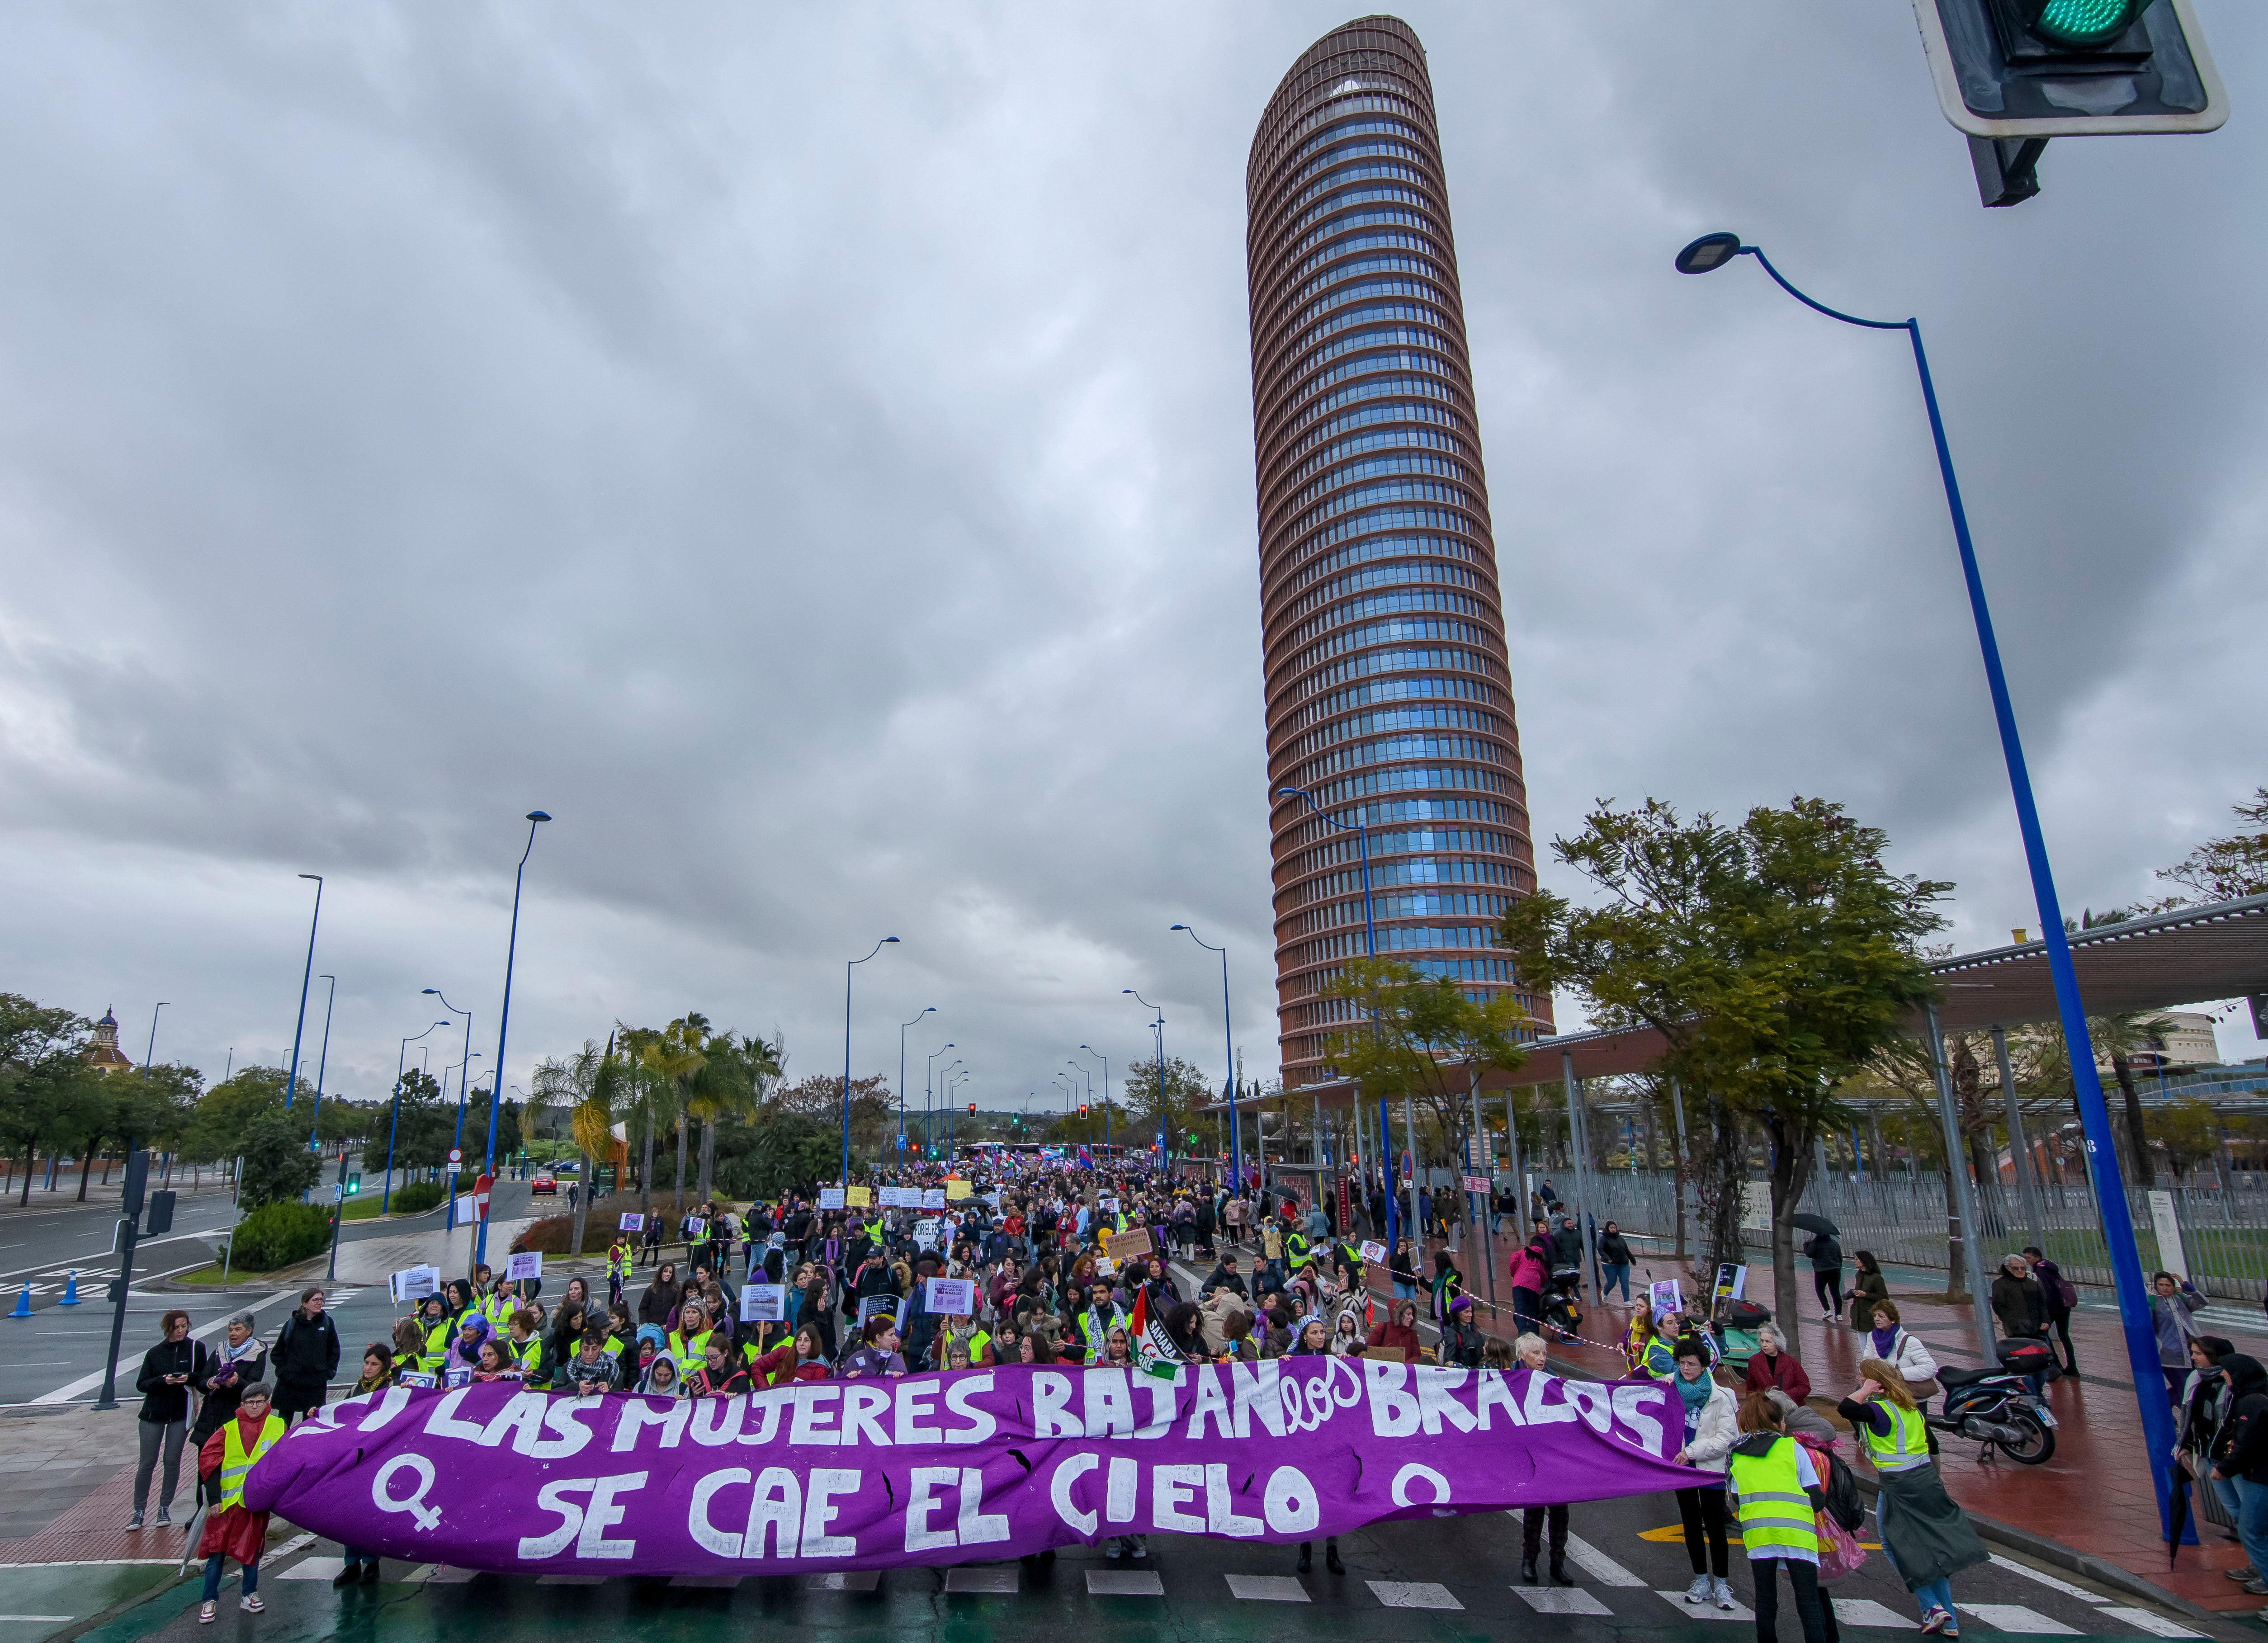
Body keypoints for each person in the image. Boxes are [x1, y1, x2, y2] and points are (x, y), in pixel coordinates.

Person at [1843, 1359, 1984, 1634]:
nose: (1858, 1380)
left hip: (1899, 1484)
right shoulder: (1911, 1409)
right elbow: (1932, 1444)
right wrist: (1936, 1479)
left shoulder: (1878, 1410)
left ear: (1875, 1383)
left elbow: (1846, 1407)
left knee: (1895, 1545)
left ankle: (1933, 1607)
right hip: (1926, 1480)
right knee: (1932, 1548)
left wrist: (1866, 1390)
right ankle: (1950, 1622)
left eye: (1862, 1377)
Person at [1727, 1393, 1836, 1643]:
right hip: (1797, 1535)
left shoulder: (1738, 1454)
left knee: (1765, 1602)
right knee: (1808, 1603)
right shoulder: (1792, 1448)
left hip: (1759, 1536)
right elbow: (1817, 1499)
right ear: (1777, 1423)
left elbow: (1736, 1497)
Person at [194, 1381, 282, 1624]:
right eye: (250, 1403)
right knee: (217, 1553)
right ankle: (209, 1601)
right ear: (241, 1405)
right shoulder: (228, 1429)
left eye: (259, 1402)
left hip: (254, 1504)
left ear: (268, 1402)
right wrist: (213, 1499)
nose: (255, 1407)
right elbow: (208, 1463)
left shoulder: (278, 1426)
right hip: (226, 1504)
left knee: (251, 1551)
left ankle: (250, 1594)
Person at [1671, 1339, 1739, 1610]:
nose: (1686, 1368)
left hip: (1709, 1470)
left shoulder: (1721, 1397)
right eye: (1682, 1363)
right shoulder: (1671, 1388)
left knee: (1715, 1526)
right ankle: (1701, 1580)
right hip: (1681, 1469)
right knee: (1690, 1524)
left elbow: (1726, 1438)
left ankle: (1722, 1583)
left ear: (1704, 1366)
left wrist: (1692, 1451)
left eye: (1692, 1364)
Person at [130, 1309, 205, 1529]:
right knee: (147, 1463)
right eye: (177, 1327)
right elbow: (142, 1384)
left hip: (180, 1415)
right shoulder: (155, 1353)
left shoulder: (196, 1349)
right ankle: (139, 1510)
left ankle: (164, 1509)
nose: (181, 1331)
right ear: (168, 1329)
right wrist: (163, 1381)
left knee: (172, 1461)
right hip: (154, 1414)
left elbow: (202, 1378)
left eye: (184, 1326)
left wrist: (188, 1378)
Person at [1515, 1334, 1575, 1584]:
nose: (1542, 1359)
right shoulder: (1508, 1380)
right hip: (1528, 1455)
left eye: (1544, 1354)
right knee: (1534, 1511)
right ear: (1522, 1356)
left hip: (1553, 1453)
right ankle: (1529, 1560)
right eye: (1536, 1354)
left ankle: (1557, 1562)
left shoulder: (1554, 1380)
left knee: (1561, 1512)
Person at [270, 1288, 339, 1423]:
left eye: (321, 1300)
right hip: (291, 1382)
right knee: (284, 1423)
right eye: (315, 1300)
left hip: (315, 1383)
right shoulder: (292, 1324)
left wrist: (329, 1372)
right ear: (305, 1304)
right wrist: (283, 1371)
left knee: (311, 1422)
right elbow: (277, 1353)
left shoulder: (327, 1323)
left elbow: (334, 1351)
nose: (319, 1303)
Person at [1862, 1302, 1940, 1412]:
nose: (1877, 1319)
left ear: (1893, 1319)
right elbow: (1868, 1361)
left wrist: (1900, 1374)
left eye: (1881, 1316)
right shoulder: (1872, 1337)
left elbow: (1930, 1368)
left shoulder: (1910, 1341)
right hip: (1886, 1396)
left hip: (1910, 1399)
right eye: (1875, 1316)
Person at [2153, 1271, 2207, 1403]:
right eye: (2161, 1285)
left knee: (2194, 1385)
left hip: (2190, 1352)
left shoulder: (2180, 1299)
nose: (2165, 1288)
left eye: (2168, 1285)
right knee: (2184, 1389)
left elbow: (2202, 1302)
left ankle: (2165, 1406)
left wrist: (2185, 1285)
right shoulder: (2152, 1302)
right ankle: (2188, 1418)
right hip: (2169, 1355)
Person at [2022, 1246, 2076, 1376]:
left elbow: (2045, 1292)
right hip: (2064, 1307)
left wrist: (2041, 1309)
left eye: (2029, 1258)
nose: (2028, 1261)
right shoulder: (2051, 1268)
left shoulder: (2040, 1271)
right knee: (2064, 1336)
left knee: (2042, 1335)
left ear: (2037, 1258)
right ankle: (2073, 1367)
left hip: (2051, 1309)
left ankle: (2055, 1365)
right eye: (2026, 1258)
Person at [1745, 1324, 1814, 1404]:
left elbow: (1805, 1387)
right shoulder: (1754, 1361)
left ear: (1777, 1343)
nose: (1764, 1345)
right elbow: (1751, 1390)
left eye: (1768, 1342)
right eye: (1762, 1341)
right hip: (1765, 1409)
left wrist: (1783, 1396)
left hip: (1790, 1407)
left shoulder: (1792, 1363)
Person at [841, 1316, 908, 1378]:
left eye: (894, 1334)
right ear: (878, 1338)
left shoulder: (897, 1361)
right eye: (891, 1335)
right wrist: (849, 1379)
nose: (895, 1339)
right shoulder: (855, 1361)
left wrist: (901, 1379)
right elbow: (842, 1387)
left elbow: (906, 1388)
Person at [1804, 1227, 1844, 1324]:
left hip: (1821, 1271)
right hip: (1835, 1270)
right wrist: (1838, 1267)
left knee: (1820, 1290)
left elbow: (1810, 1254)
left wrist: (1807, 1244)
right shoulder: (1835, 1244)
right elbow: (1840, 1257)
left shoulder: (1816, 1243)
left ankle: (1827, 1310)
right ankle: (1839, 1314)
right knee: (1835, 1292)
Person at [1366, 1298, 1422, 1363]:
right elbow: (1370, 1349)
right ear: (1399, 1315)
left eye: (1412, 1314)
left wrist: (1404, 1366)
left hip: (1406, 1371)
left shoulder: (1412, 1334)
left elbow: (1417, 1356)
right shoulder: (1382, 1327)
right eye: (1408, 1314)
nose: (1412, 1318)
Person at [1848, 1252, 1890, 1329]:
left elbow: (1884, 1298)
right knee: (1862, 1340)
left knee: (1872, 1340)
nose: (1855, 1262)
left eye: (1857, 1259)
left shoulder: (1876, 1278)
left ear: (1864, 1261)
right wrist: (1852, 1294)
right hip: (1858, 1316)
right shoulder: (1859, 1275)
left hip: (1869, 1317)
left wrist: (1866, 1295)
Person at [1597, 1222, 1634, 1303]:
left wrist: (1632, 1259)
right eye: (1611, 1228)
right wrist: (1607, 1258)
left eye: (1615, 1228)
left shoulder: (1620, 1238)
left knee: (1625, 1282)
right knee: (1612, 1282)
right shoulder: (1603, 1239)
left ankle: (1627, 1301)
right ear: (1608, 1229)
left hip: (1623, 1264)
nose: (1613, 1229)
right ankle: (1605, 1293)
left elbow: (1626, 1250)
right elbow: (1600, 1250)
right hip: (1610, 1265)